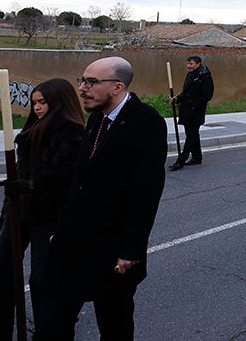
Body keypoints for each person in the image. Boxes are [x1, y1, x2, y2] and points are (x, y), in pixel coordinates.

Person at [35, 57, 167, 340]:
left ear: (117, 86)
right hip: (73, 242)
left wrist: (131, 249)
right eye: (82, 80)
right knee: (52, 321)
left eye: (91, 82)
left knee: (114, 322)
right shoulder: (96, 117)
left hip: (113, 249)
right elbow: (80, 180)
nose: (82, 88)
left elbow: (146, 192)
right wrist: (60, 228)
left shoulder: (146, 122)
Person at [0, 79, 85, 340]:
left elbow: (63, 177)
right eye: (34, 102)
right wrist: (8, 207)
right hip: (20, 211)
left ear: (59, 101)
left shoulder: (72, 131)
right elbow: (22, 171)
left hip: (49, 215)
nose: (38, 107)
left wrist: (31, 186)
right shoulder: (34, 127)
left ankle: (49, 332)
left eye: (43, 102)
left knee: (43, 279)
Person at [169, 55, 214, 171]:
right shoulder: (191, 75)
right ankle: (197, 157)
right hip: (186, 110)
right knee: (193, 134)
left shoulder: (204, 76)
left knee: (191, 135)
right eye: (187, 64)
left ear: (198, 64)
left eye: (191, 64)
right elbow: (186, 92)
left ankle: (181, 160)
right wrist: (177, 99)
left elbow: (207, 95)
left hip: (195, 111)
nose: (188, 66)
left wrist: (195, 106)